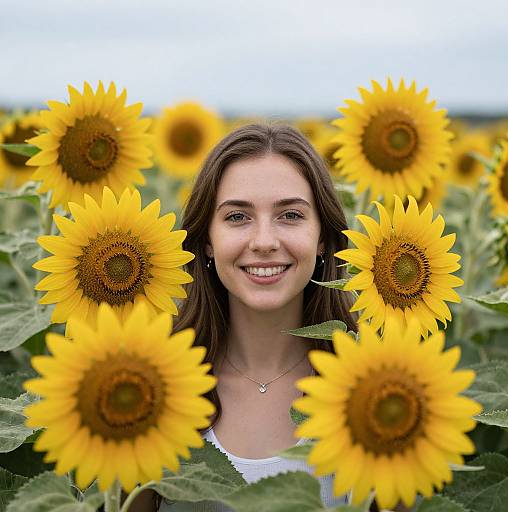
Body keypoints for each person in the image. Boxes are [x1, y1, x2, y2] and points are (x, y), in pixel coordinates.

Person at [135, 123, 357, 512]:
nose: (264, 241)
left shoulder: (374, 387)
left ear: (322, 237)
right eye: (238, 217)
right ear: (207, 240)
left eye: (290, 214)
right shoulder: (152, 388)